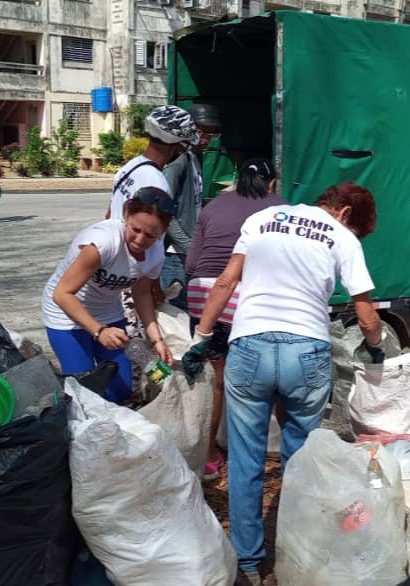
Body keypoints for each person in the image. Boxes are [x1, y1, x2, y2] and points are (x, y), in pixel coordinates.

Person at [193, 181, 385, 585]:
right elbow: (366, 315)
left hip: (250, 348)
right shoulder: (341, 237)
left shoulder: (261, 219)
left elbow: (226, 282)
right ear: (346, 214)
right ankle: (296, 555)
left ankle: (249, 560)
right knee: (300, 460)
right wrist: (375, 349)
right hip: (306, 353)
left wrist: (203, 336)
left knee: (246, 459)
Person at [185, 157, 286, 480]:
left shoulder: (212, 207)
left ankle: (210, 457)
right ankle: (289, 452)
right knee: (271, 378)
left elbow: (191, 264)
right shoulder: (281, 209)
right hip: (245, 296)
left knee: (214, 381)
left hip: (202, 295)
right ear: (272, 183)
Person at [43, 187, 176, 404]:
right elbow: (62, 294)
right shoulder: (102, 244)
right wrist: (99, 331)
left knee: (119, 390)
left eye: (151, 235)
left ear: (162, 232)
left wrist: (156, 339)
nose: (140, 239)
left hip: (107, 313)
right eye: (135, 229)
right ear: (126, 214)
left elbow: (141, 293)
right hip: (65, 315)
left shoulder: (156, 254)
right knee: (85, 392)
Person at [160, 103, 223, 310]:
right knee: (176, 313)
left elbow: (189, 202)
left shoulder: (196, 157)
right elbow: (164, 210)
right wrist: (188, 247)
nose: (204, 139)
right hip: (174, 253)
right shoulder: (179, 160)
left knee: (189, 309)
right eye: (200, 131)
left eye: (211, 135)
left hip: (186, 250)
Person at [106, 105, 198, 221]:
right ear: (177, 146)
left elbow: (109, 214)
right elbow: (146, 235)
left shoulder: (129, 167)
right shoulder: (157, 184)